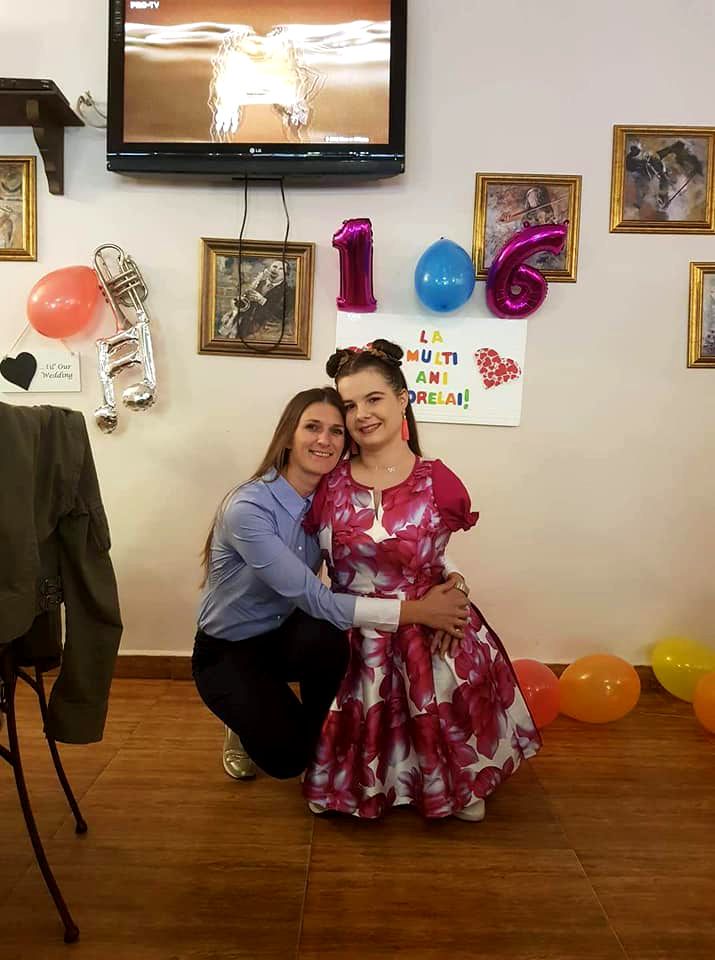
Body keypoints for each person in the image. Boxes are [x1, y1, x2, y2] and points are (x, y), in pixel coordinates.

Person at [302, 341, 542, 821]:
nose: (361, 414)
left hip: (429, 631)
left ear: (402, 399)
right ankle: (355, 785)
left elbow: (438, 553)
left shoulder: (440, 481)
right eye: (349, 405)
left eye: (373, 399)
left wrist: (457, 584)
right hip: (354, 634)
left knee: (438, 699)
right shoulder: (327, 482)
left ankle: (454, 783)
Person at [192, 387, 471, 782]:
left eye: (336, 431)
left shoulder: (332, 493)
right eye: (312, 427)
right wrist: (421, 612)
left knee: (329, 643)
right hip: (228, 648)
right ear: (288, 436)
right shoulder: (249, 507)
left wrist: (453, 577)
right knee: (289, 760)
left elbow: (390, 546)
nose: (324, 439)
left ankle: (307, 730)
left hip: (283, 633)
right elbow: (318, 600)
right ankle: (243, 722)